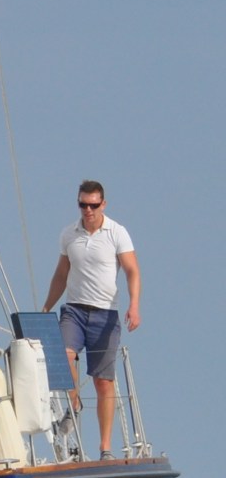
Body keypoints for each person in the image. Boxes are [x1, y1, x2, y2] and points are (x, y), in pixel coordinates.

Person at [41, 180, 141, 460]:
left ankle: (105, 447)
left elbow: (132, 270)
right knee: (64, 355)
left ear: (103, 204)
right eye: (83, 204)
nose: (88, 210)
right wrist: (47, 306)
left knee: (103, 382)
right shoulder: (69, 234)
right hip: (74, 310)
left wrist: (134, 305)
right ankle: (74, 405)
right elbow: (61, 274)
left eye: (93, 205)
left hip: (105, 313)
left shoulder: (117, 233)